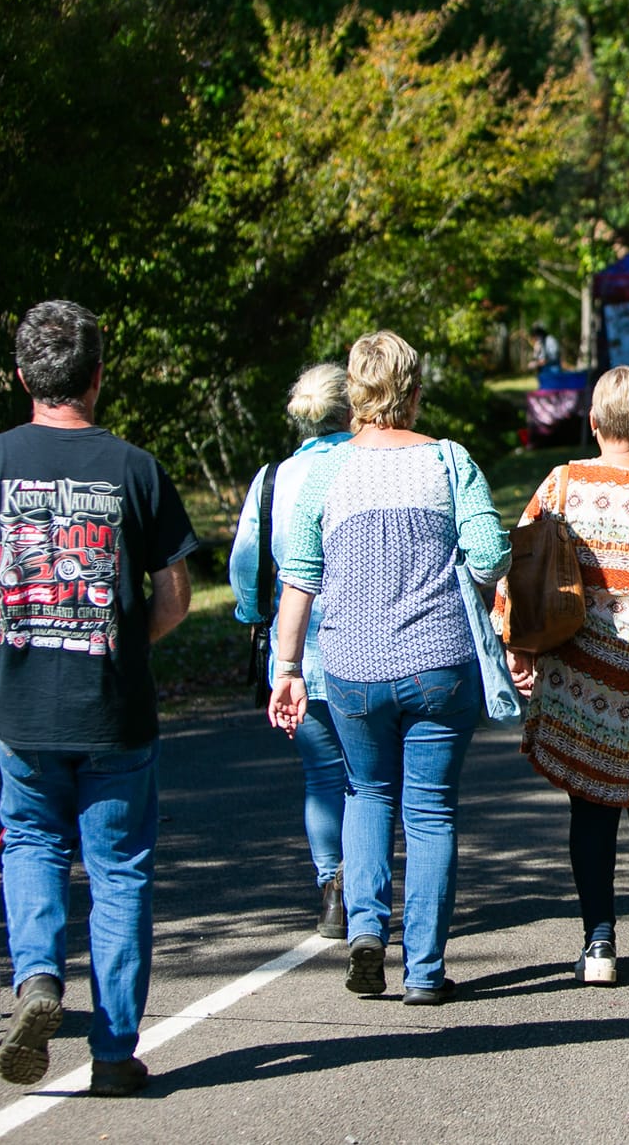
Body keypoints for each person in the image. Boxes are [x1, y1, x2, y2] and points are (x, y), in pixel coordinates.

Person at [0, 300, 197, 1096]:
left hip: (24, 711)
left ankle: (39, 976)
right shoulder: (136, 468)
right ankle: (113, 1054)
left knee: (34, 841)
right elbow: (175, 595)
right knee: (119, 873)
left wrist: (4, 657)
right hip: (116, 710)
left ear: (22, 377)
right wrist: (123, 645)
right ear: (98, 376)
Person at [267, 330, 511, 1006]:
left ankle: (366, 931)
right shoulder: (448, 460)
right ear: (415, 391)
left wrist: (288, 668)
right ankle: (425, 972)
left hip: (351, 667)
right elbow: (490, 556)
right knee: (430, 811)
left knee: (366, 792)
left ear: (355, 394)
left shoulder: (326, 472)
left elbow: (299, 578)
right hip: (439, 664)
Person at [502, 367, 629, 986]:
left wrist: (519, 644)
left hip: (578, 664)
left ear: (592, 422)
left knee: (589, 804)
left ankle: (597, 943)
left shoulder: (561, 484)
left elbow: (521, 566)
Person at [230, 364, 354, 940]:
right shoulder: (367, 464)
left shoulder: (272, 479)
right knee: (370, 779)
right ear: (351, 407)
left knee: (322, 775)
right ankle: (364, 886)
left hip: (295, 651)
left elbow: (246, 565)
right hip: (366, 644)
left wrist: (255, 616)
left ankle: (333, 888)